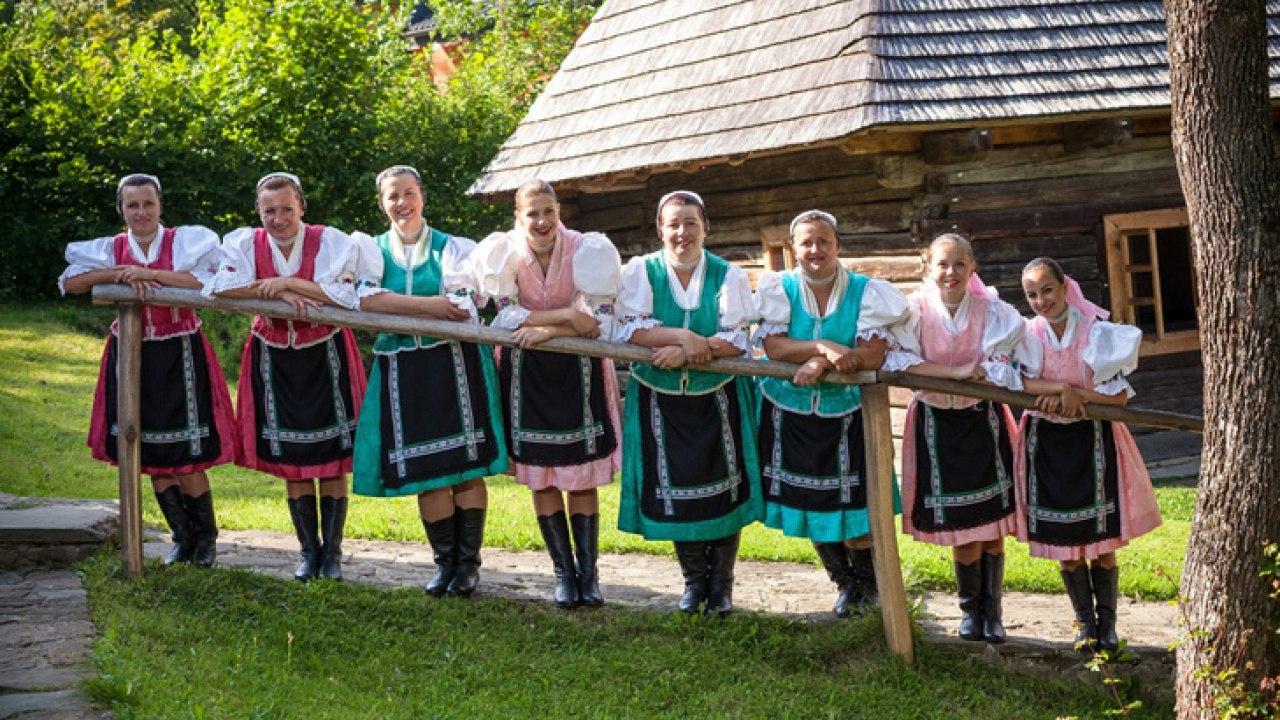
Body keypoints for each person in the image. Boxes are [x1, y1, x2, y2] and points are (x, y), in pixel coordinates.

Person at [59, 173, 236, 568]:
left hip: (181, 352)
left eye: (148, 203)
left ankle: (205, 541)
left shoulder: (184, 243)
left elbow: (208, 281)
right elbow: (71, 282)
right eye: (132, 204)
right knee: (151, 451)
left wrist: (151, 274)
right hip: (130, 355)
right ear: (121, 208)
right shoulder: (112, 248)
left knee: (188, 453)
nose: (141, 212)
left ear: (160, 206)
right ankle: (181, 538)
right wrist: (118, 273)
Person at [351, 165, 507, 598]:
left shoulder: (454, 249)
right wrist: (431, 306)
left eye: (408, 193)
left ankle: (468, 565)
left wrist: (404, 308)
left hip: (456, 362)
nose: (401, 203)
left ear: (423, 196)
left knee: (465, 469)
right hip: (404, 369)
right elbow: (366, 300)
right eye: (392, 197)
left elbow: (463, 305)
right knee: (428, 470)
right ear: (381, 203)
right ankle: (444, 563)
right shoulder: (371, 251)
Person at [204, 172, 365, 581]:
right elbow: (219, 287)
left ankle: (332, 554)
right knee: (292, 460)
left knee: (331, 459)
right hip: (273, 355)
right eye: (269, 210)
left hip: (326, 353)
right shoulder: (245, 243)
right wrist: (274, 291)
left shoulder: (330, 241)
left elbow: (344, 294)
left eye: (286, 209)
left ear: (302, 208)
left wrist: (289, 282)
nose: (278, 219)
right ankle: (308, 551)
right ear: (259, 212)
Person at [471, 180, 622, 608]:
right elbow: (505, 319)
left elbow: (601, 322)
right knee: (542, 474)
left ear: (560, 212)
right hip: (526, 370)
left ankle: (587, 575)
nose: (541, 221)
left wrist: (550, 328)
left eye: (549, 211)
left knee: (582, 473)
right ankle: (562, 573)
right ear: (518, 216)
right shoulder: (503, 252)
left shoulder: (588, 249)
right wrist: (566, 317)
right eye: (532, 213)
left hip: (580, 368)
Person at [755, 210, 909, 618]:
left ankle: (871, 589)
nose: (815, 250)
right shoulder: (780, 287)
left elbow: (872, 352)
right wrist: (823, 348)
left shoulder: (865, 291)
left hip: (849, 413)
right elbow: (774, 348)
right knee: (812, 502)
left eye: (824, 241)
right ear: (793, 249)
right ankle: (845, 586)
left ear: (838, 246)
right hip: (791, 411)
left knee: (856, 504)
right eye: (806, 242)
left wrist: (821, 364)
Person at [615, 190, 761, 615]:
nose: (682, 232)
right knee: (677, 490)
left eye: (691, 223)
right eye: (673, 224)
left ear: (705, 227)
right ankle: (694, 583)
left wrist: (693, 352)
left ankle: (722, 587)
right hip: (660, 396)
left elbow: (738, 339)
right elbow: (630, 330)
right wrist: (685, 339)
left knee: (723, 489)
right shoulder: (642, 271)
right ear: (660, 229)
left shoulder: (727, 275)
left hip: (716, 397)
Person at [1016, 257, 1163, 652]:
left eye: (1047, 290)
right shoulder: (1027, 334)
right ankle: (1084, 623)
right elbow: (1022, 381)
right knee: (1063, 539)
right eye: (1032, 294)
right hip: (1045, 442)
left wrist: (1075, 394)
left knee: (1103, 540)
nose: (1041, 300)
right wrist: (1056, 389)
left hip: (1094, 440)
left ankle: (1108, 625)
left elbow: (1116, 394)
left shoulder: (1096, 333)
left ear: (1065, 287)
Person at [883, 233, 1023, 641]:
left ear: (972, 269)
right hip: (936, 423)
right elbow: (903, 362)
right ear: (928, 267)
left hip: (983, 420)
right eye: (943, 264)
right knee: (962, 525)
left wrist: (979, 373)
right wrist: (958, 374)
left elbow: (1003, 360)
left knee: (993, 523)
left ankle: (992, 613)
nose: (951, 273)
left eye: (960, 264)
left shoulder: (991, 309)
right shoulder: (912, 309)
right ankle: (969, 612)